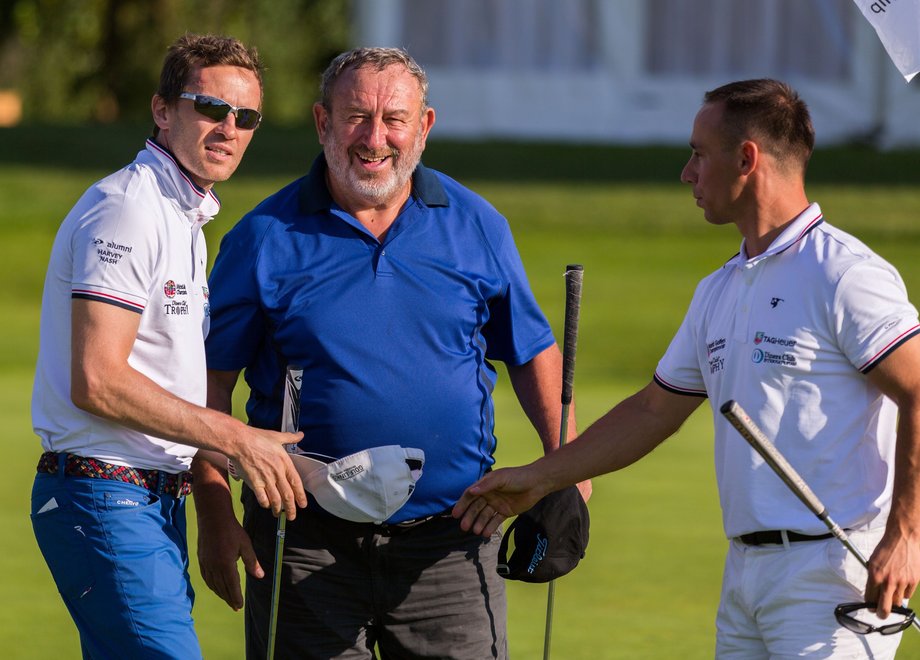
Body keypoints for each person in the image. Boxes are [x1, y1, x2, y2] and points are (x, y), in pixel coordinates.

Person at [454, 78, 920, 659]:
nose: (686, 172)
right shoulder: (718, 289)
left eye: (699, 154)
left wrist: (906, 535)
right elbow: (654, 410)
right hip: (745, 573)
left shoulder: (844, 274)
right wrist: (544, 476)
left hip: (834, 574)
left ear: (746, 158)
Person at [192, 46, 588, 659]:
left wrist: (567, 471)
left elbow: (532, 351)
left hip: (451, 542)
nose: (375, 138)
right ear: (323, 122)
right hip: (300, 541)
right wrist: (214, 509)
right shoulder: (264, 236)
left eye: (394, 119)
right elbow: (209, 388)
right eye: (355, 117)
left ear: (424, 127)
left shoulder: (477, 225)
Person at [30, 33, 308, 659]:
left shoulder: (183, 216)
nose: (228, 128)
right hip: (107, 497)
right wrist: (232, 437)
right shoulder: (127, 208)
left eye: (246, 117)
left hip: (145, 501)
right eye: (210, 108)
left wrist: (208, 500)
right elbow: (96, 379)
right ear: (163, 110)